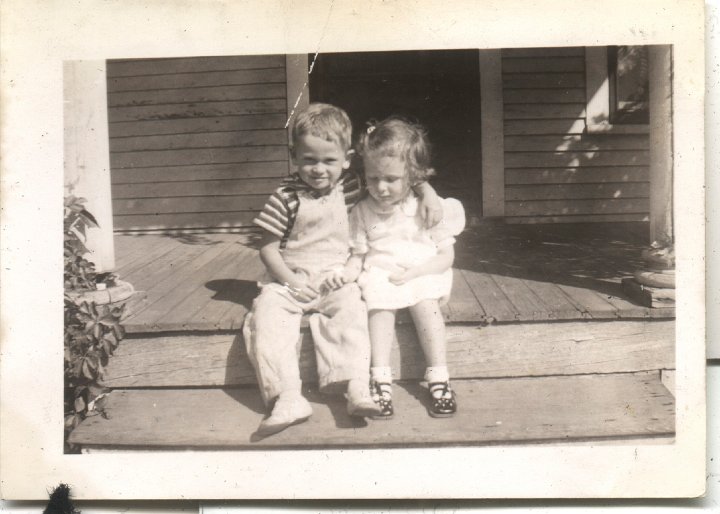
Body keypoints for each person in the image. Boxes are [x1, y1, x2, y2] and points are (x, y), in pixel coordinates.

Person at [243, 103, 443, 437]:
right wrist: (290, 282)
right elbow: (266, 247)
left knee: (352, 311)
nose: (319, 169)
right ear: (294, 156)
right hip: (289, 278)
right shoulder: (285, 197)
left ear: (347, 159)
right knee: (266, 318)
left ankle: (354, 385)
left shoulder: (350, 187)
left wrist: (428, 191)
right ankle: (288, 396)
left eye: (329, 160)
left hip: (335, 276)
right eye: (309, 159)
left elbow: (398, 178)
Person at [335, 117, 465, 419]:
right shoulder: (362, 211)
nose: (380, 187)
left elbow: (446, 256)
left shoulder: (425, 208)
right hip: (381, 271)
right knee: (378, 305)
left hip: (424, 269)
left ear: (413, 176)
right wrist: (347, 274)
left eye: (391, 179)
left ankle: (439, 377)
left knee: (426, 305)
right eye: (373, 178)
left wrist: (416, 273)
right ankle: (380, 379)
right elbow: (358, 254)